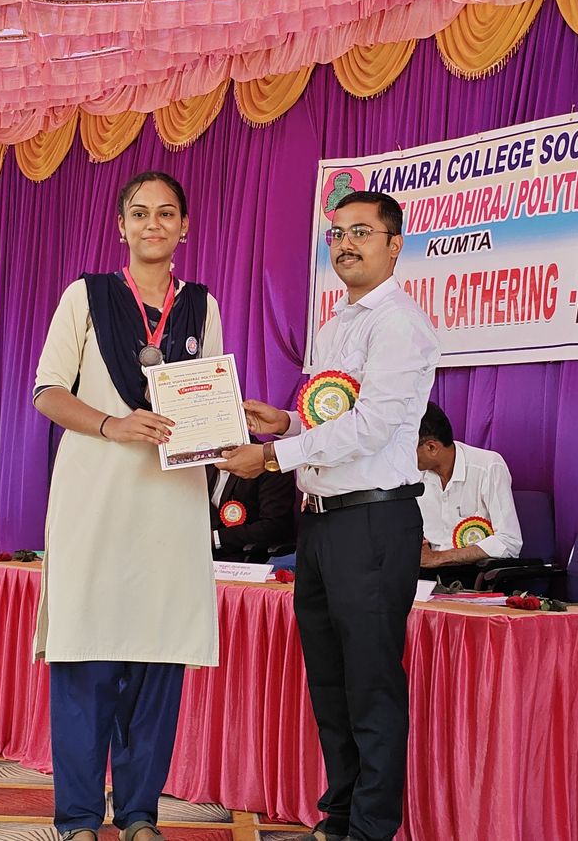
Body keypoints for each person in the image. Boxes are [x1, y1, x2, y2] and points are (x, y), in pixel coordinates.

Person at [221, 190, 439, 841]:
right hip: (320, 523)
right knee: (330, 681)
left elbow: (371, 428)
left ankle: (371, 828)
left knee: (369, 683)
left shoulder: (398, 323)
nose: (346, 244)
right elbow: (332, 418)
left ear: (395, 245)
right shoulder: (337, 322)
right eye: (337, 233)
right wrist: (286, 422)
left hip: (372, 524)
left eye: (362, 232)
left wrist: (272, 455)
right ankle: (339, 815)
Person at [31, 171, 223, 841]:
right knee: (85, 659)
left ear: (184, 227)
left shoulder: (201, 305)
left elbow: (207, 401)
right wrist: (112, 425)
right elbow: (48, 392)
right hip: (96, 500)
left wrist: (227, 432)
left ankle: (140, 813)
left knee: (157, 662)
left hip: (170, 505)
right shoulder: (85, 296)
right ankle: (78, 819)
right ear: (121, 225)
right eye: (140, 213)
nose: (153, 224)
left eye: (166, 213)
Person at [414, 401, 523, 570]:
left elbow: (509, 542)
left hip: (474, 573)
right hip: (423, 574)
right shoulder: (411, 476)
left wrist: (437, 558)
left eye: (407, 447)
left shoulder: (488, 466)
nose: (402, 455)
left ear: (432, 447)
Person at [205, 464, 298, 563]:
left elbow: (274, 526)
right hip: (200, 553)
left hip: (242, 556)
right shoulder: (203, 465)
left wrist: (215, 538)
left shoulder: (271, 467)